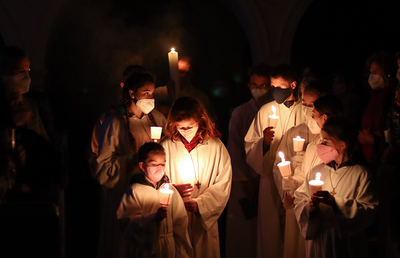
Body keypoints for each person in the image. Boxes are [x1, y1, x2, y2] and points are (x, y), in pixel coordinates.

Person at [88, 71, 167, 258]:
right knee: (123, 247)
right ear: (132, 94)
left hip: (151, 194)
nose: (151, 97)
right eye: (146, 93)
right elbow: (103, 167)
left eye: (152, 93)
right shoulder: (114, 123)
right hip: (123, 194)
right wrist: (134, 159)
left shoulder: (158, 119)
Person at [294, 116, 378, 257]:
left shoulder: (361, 174)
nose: (320, 145)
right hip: (319, 239)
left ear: (342, 145)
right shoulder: (316, 171)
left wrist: (335, 204)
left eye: (325, 141)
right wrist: (310, 208)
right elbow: (299, 199)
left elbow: (368, 210)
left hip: (345, 243)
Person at [245, 63, 305, 258]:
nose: (275, 91)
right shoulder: (265, 111)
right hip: (269, 179)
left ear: (293, 85)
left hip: (296, 180)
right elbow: (249, 144)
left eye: (280, 87)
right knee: (270, 233)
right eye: (273, 87)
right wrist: (263, 144)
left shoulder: (305, 111)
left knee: (294, 234)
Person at [160, 96, 232, 258]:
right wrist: (171, 191)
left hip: (202, 221)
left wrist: (201, 204)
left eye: (189, 126)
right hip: (176, 215)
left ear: (201, 120)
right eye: (181, 127)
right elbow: (155, 180)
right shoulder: (166, 146)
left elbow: (223, 183)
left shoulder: (215, 147)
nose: (185, 131)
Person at [278, 94, 343, 258]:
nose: (311, 118)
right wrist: (290, 187)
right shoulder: (314, 146)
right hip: (311, 216)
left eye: (313, 114)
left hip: (334, 225)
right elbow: (304, 176)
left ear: (324, 117)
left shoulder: (343, 149)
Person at [225, 63, 273, 258]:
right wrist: (247, 179)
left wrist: (258, 178)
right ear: (248, 85)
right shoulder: (240, 113)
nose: (258, 90)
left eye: (263, 86)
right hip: (243, 182)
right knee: (243, 235)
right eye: (254, 85)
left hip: (267, 179)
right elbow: (235, 149)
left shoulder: (275, 111)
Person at [117, 142, 192, 257]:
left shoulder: (170, 190)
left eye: (162, 164)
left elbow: (180, 223)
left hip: (168, 247)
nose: (159, 168)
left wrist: (180, 251)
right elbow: (127, 223)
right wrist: (153, 219)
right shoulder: (135, 191)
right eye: (154, 164)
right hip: (144, 249)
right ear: (142, 166)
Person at [358, 51, 397, 178]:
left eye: (375, 72)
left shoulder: (392, 99)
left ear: (388, 73)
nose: (372, 76)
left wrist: (376, 141)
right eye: (370, 72)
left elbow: (394, 131)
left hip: (386, 161)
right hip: (368, 160)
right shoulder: (372, 96)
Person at [0, 45, 49, 141]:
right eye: (21, 71)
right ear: (3, 71)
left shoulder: (30, 104)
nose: (26, 77)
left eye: (28, 71)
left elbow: (43, 137)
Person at [154, 56, 218, 124]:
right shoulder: (158, 93)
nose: (184, 76)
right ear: (174, 71)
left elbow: (212, 121)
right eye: (181, 72)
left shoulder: (200, 97)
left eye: (188, 73)